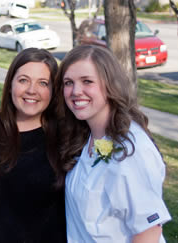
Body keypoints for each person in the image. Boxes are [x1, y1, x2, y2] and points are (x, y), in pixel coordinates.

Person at [55, 44, 171, 243]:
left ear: (110, 85)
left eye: (87, 81)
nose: (76, 91)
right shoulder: (87, 138)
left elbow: (148, 233)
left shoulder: (132, 149)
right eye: (68, 82)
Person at [0, 48, 67, 243]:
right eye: (23, 80)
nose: (31, 90)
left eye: (43, 83)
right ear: (10, 85)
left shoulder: (66, 138)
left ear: (53, 91)